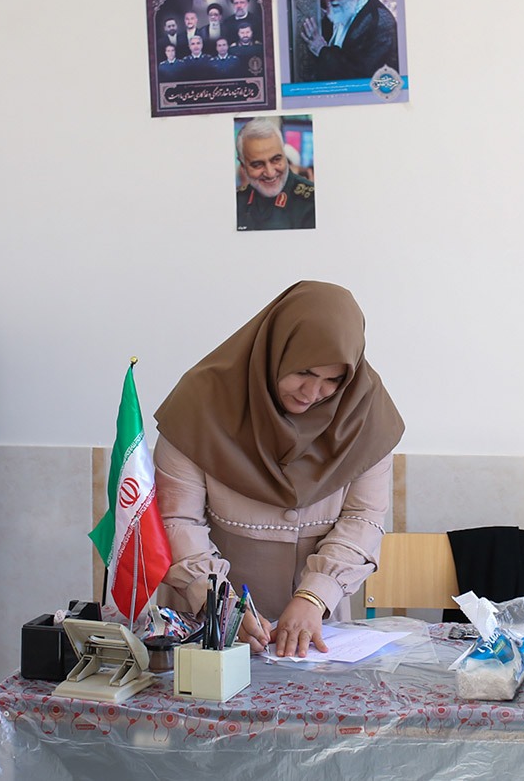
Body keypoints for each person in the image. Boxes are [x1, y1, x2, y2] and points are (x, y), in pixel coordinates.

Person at [154, 281, 405, 658]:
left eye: (333, 379)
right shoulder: (200, 402)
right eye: (303, 371)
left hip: (317, 624)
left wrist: (314, 596)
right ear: (273, 351)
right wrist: (219, 603)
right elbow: (176, 518)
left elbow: (363, 517)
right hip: (207, 616)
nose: (313, 392)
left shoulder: (365, 412)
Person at [234, 118, 315, 231]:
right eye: (257, 165)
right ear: (243, 166)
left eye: (276, 159)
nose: (270, 173)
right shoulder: (235, 202)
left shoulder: (312, 201)